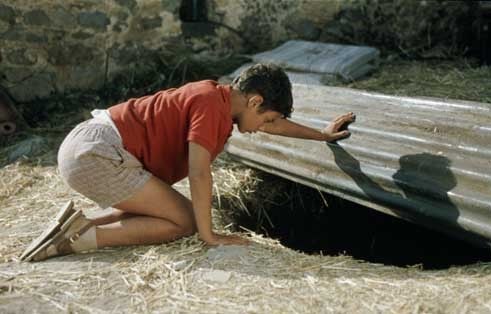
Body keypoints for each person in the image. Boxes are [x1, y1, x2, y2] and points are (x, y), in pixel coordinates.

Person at [20, 63, 355, 261]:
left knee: (165, 208)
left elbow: (277, 124)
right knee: (184, 222)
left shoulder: (219, 99)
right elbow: (199, 171)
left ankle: (80, 225)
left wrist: (322, 135)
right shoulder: (212, 106)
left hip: (91, 146)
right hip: (97, 154)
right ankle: (77, 242)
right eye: (266, 120)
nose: (265, 129)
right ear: (254, 101)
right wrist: (209, 235)